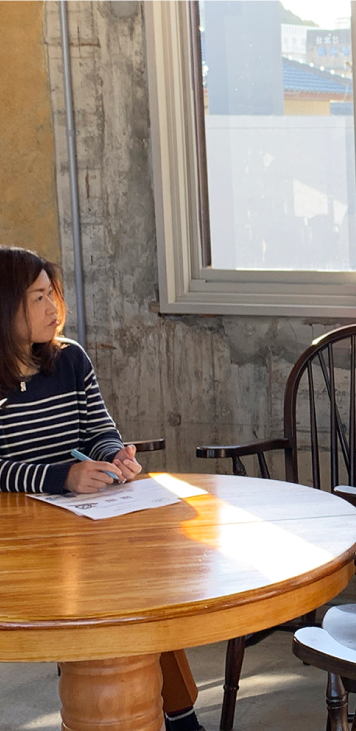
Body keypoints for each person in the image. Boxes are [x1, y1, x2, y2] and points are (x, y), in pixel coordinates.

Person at [0, 246, 205, 731]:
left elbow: (98, 428)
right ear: (6, 306)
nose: (53, 308)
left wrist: (115, 453)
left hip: (83, 521)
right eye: (37, 298)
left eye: (52, 295)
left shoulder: (70, 359)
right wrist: (60, 477)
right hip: (17, 540)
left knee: (143, 591)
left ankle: (178, 715)